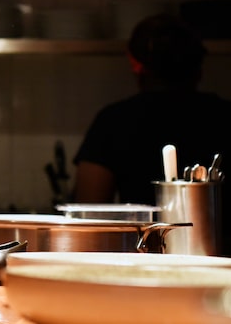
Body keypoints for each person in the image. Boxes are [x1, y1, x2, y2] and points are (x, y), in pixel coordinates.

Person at [73, 13, 231, 255]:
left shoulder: (114, 120)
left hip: (142, 260)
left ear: (136, 66)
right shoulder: (224, 115)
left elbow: (90, 209)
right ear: (198, 68)